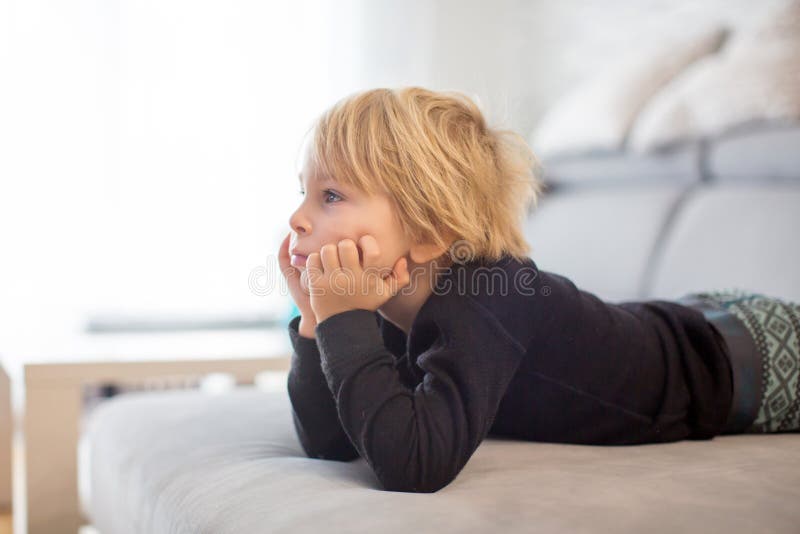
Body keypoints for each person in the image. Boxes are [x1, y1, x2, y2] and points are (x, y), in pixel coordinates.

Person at [276, 86, 800, 493]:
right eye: (304, 191)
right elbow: (330, 442)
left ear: (428, 233)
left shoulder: (488, 294)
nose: (297, 217)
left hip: (738, 359)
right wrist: (317, 321)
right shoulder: (384, 300)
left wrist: (344, 322)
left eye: (331, 195)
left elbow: (416, 464)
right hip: (695, 317)